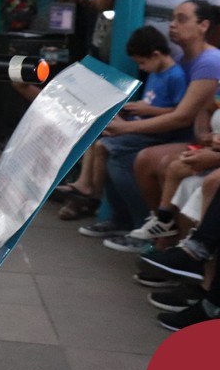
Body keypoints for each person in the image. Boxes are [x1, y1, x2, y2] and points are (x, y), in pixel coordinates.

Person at [80, 0, 220, 239]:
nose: (172, 25)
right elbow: (198, 111)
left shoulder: (209, 61)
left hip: (191, 135)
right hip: (197, 134)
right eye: (172, 18)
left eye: (181, 19)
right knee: (116, 150)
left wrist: (127, 128)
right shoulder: (180, 59)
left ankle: (148, 228)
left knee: (135, 157)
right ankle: (139, 226)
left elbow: (181, 116)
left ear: (203, 25)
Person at [54, 25, 186, 224]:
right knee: (97, 132)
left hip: (153, 132)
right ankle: (84, 182)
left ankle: (94, 194)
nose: (142, 68)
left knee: (103, 146)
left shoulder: (175, 76)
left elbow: (177, 112)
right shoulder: (156, 72)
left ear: (156, 55)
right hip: (139, 123)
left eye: (142, 63)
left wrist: (147, 110)